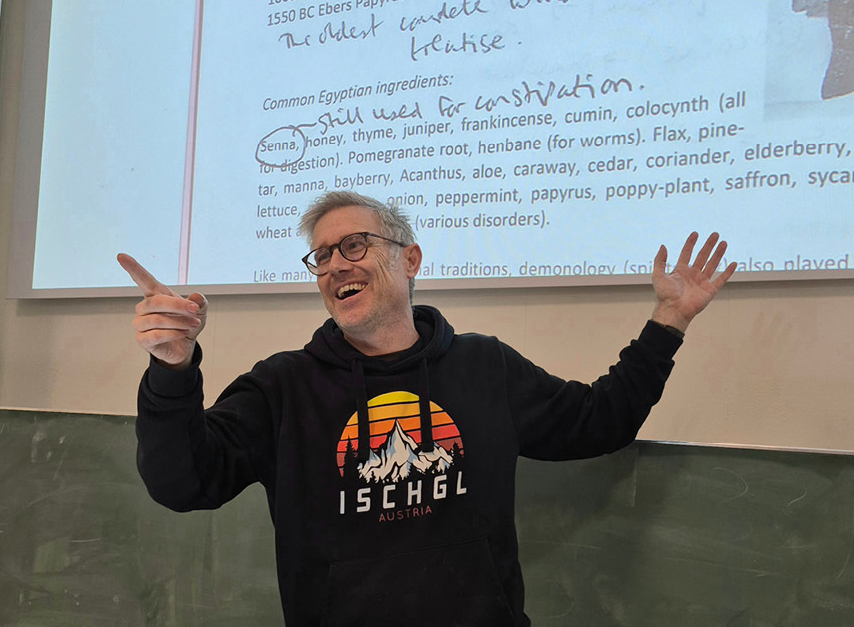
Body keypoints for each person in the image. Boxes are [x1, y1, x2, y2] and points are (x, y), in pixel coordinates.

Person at [118, 190, 735, 627]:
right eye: (323, 256)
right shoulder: (281, 387)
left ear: (409, 260)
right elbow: (183, 483)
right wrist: (172, 367)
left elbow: (601, 421)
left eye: (354, 246)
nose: (336, 265)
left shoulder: (484, 367)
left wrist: (670, 320)